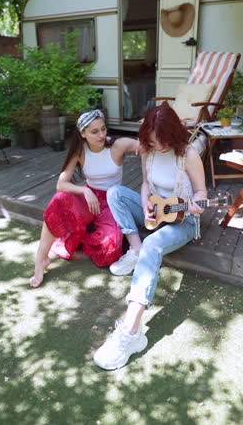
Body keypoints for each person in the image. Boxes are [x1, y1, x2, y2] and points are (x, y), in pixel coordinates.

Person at [93, 102, 207, 370]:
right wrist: (146, 203)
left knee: (153, 244)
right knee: (115, 193)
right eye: (154, 143)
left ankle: (130, 332)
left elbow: (202, 193)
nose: (159, 147)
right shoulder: (148, 150)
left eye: (164, 142)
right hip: (157, 210)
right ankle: (134, 248)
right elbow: (145, 183)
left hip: (183, 219)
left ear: (175, 134)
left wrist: (196, 203)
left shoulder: (188, 154)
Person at [30, 109, 138, 288]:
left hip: (113, 201)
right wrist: (84, 191)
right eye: (95, 132)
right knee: (58, 201)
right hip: (89, 198)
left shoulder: (119, 145)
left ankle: (82, 232)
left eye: (103, 129)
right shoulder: (80, 151)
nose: (101, 135)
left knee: (108, 252)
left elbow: (147, 146)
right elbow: (61, 184)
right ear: (83, 133)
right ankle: (40, 259)